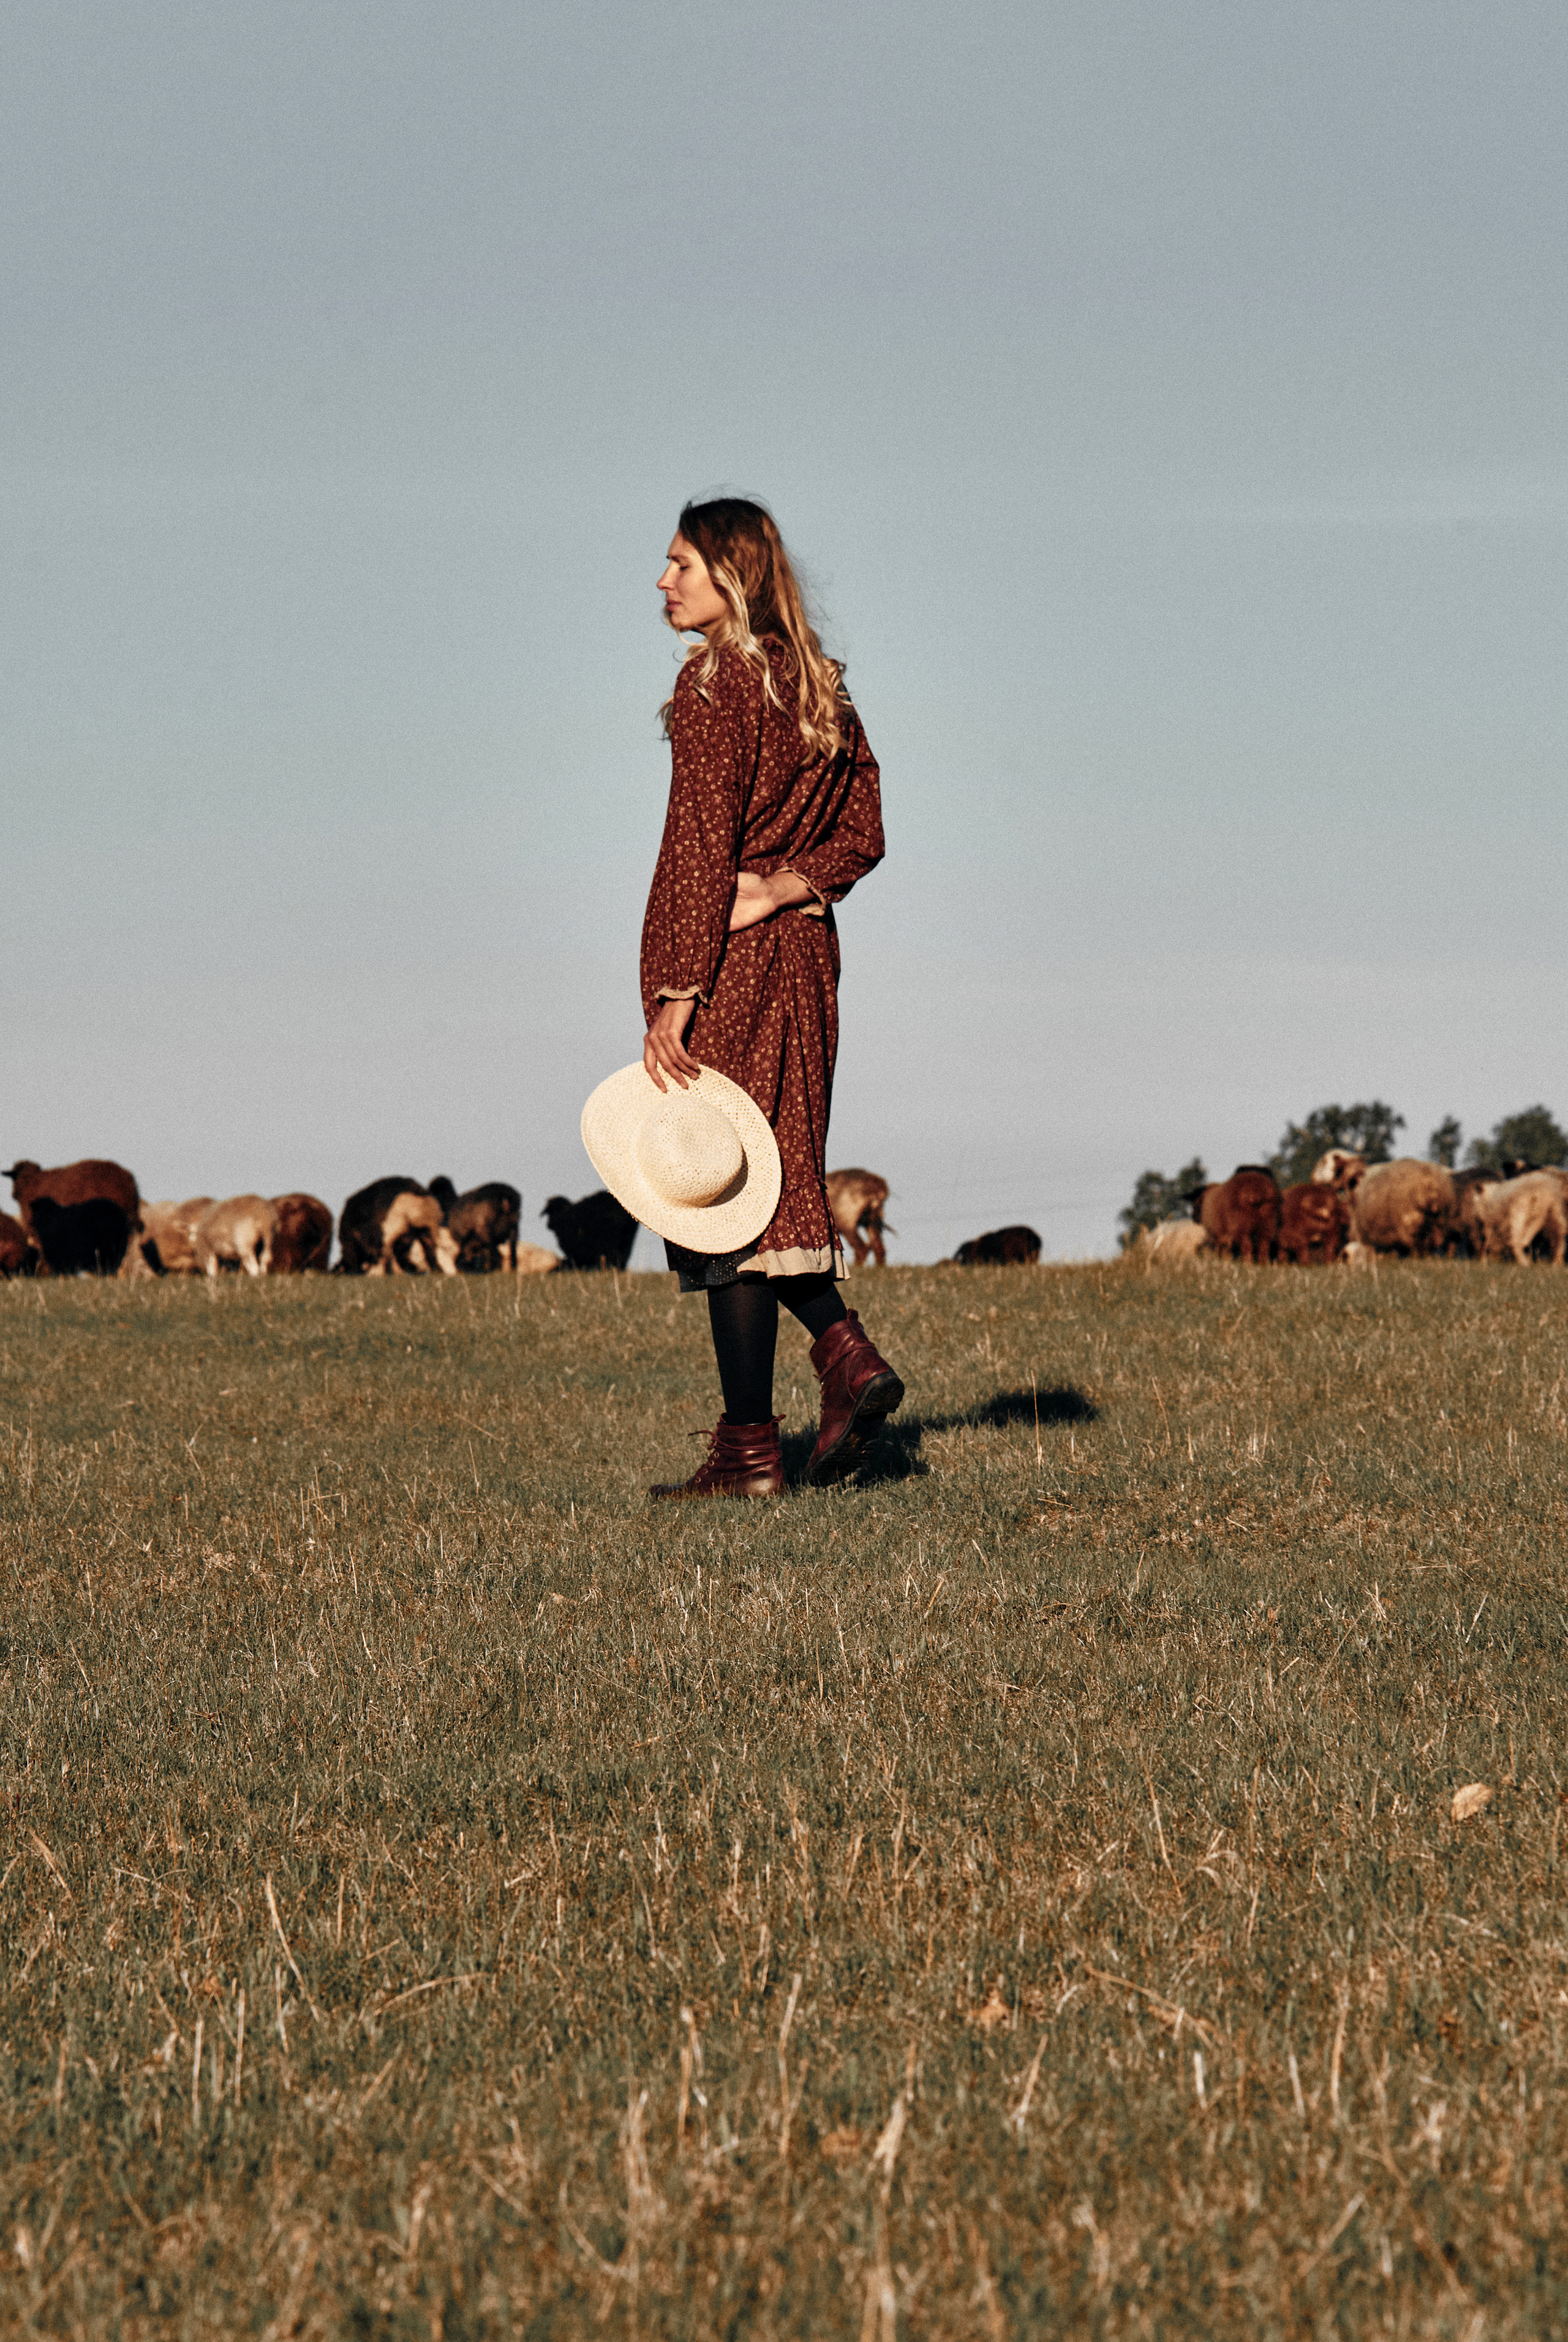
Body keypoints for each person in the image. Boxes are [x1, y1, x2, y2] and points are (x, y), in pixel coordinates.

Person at [639, 496, 903, 1499]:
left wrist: (676, 987)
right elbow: (865, 831)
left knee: (724, 1199)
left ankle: (772, 1430)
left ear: (732, 577)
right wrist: (795, 887)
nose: (663, 583)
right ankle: (779, 1419)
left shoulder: (717, 680)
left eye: (680, 565)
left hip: (733, 963)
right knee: (771, 1187)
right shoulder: (819, 686)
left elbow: (700, 846)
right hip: (809, 958)